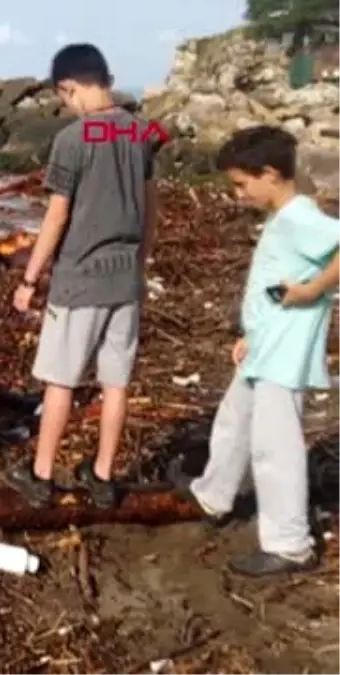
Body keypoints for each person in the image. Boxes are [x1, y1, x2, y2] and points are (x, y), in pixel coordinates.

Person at [170, 126, 337, 576]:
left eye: (242, 185)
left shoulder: (301, 217)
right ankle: (214, 493)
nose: (238, 195)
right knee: (234, 421)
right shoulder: (285, 218)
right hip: (267, 344)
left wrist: (313, 290)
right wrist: (251, 333)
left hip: (285, 355)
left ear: (269, 174)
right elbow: (270, 285)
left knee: (274, 447)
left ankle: (289, 543)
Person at [5, 43, 159, 509]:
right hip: (125, 279)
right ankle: (103, 475)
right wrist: (141, 262)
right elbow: (152, 207)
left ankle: (42, 474)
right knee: (116, 383)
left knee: (61, 382)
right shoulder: (142, 132)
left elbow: (56, 216)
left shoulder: (73, 140)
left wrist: (30, 278)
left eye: (63, 98)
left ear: (68, 87)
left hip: (80, 278)